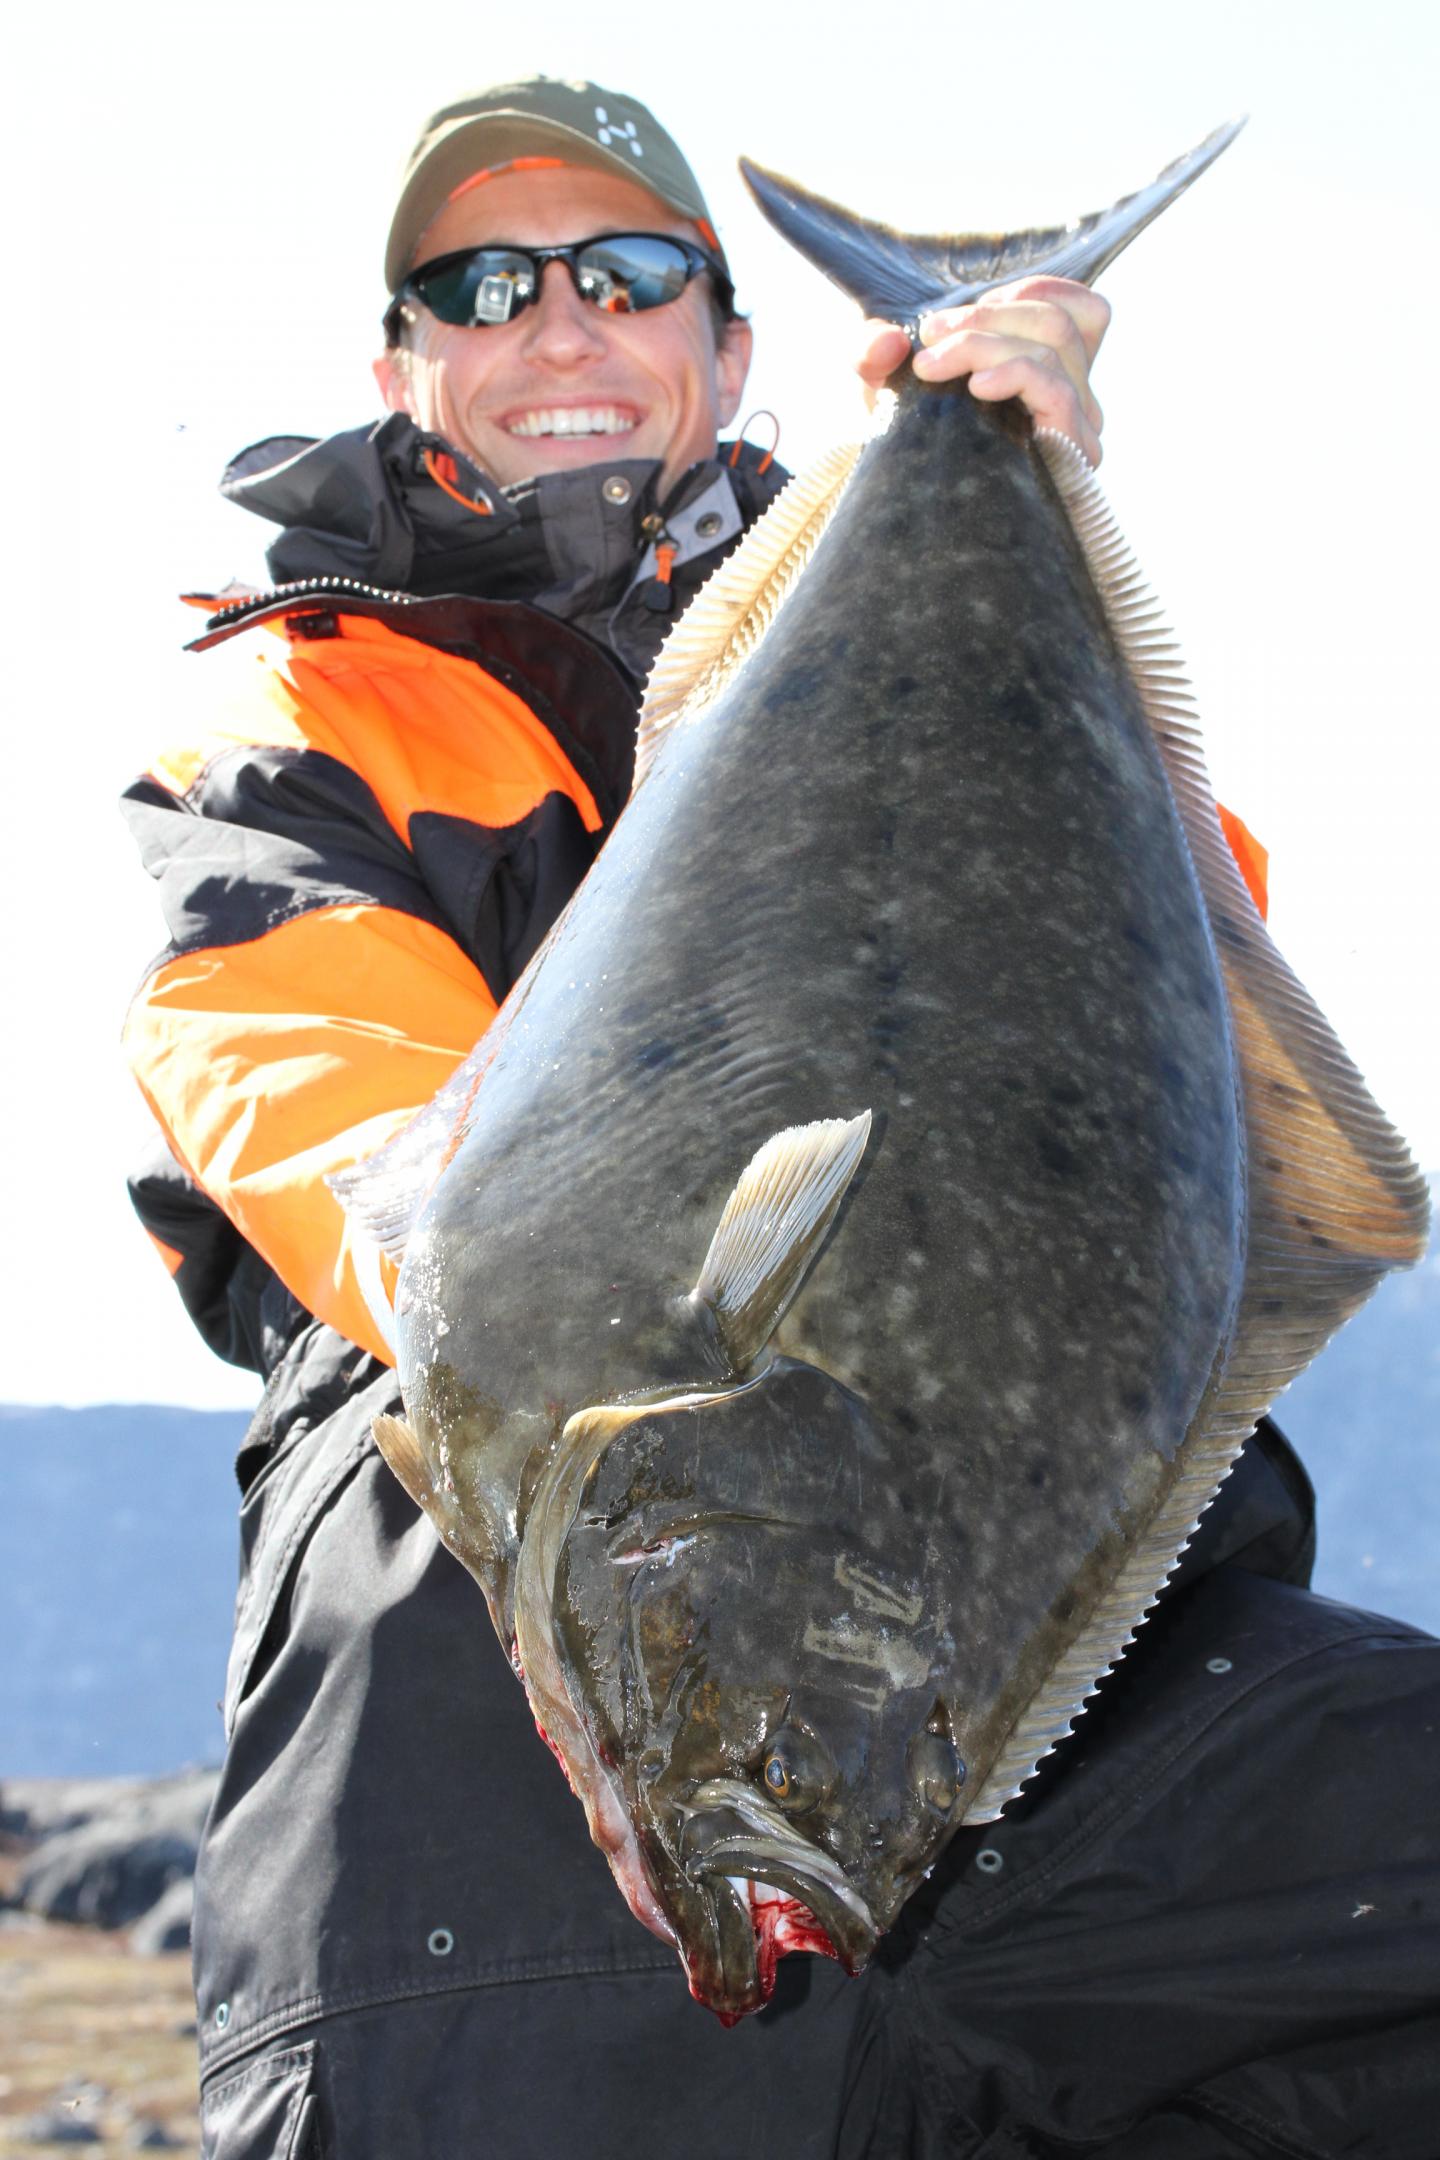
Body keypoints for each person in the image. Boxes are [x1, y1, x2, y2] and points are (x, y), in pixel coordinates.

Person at [123, 78, 1438, 2159]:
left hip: (1017, 1644)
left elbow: (1169, 1010)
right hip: (487, 1610)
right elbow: (303, 1102)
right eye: (483, 284)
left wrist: (1033, 494)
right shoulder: (297, 735)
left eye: (629, 274)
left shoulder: (893, 586)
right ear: (408, 361)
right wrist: (547, 1310)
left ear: (729, 346)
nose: (561, 325)